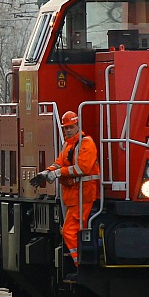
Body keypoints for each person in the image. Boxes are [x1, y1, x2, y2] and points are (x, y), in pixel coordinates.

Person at [29, 110, 100, 277]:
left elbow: (83, 168)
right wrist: (46, 173)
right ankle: (81, 266)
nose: (68, 130)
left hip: (84, 195)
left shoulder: (86, 144)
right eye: (66, 127)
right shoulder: (69, 145)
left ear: (78, 126)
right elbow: (59, 162)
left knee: (69, 231)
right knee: (71, 231)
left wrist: (58, 173)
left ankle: (81, 267)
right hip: (74, 197)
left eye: (71, 127)